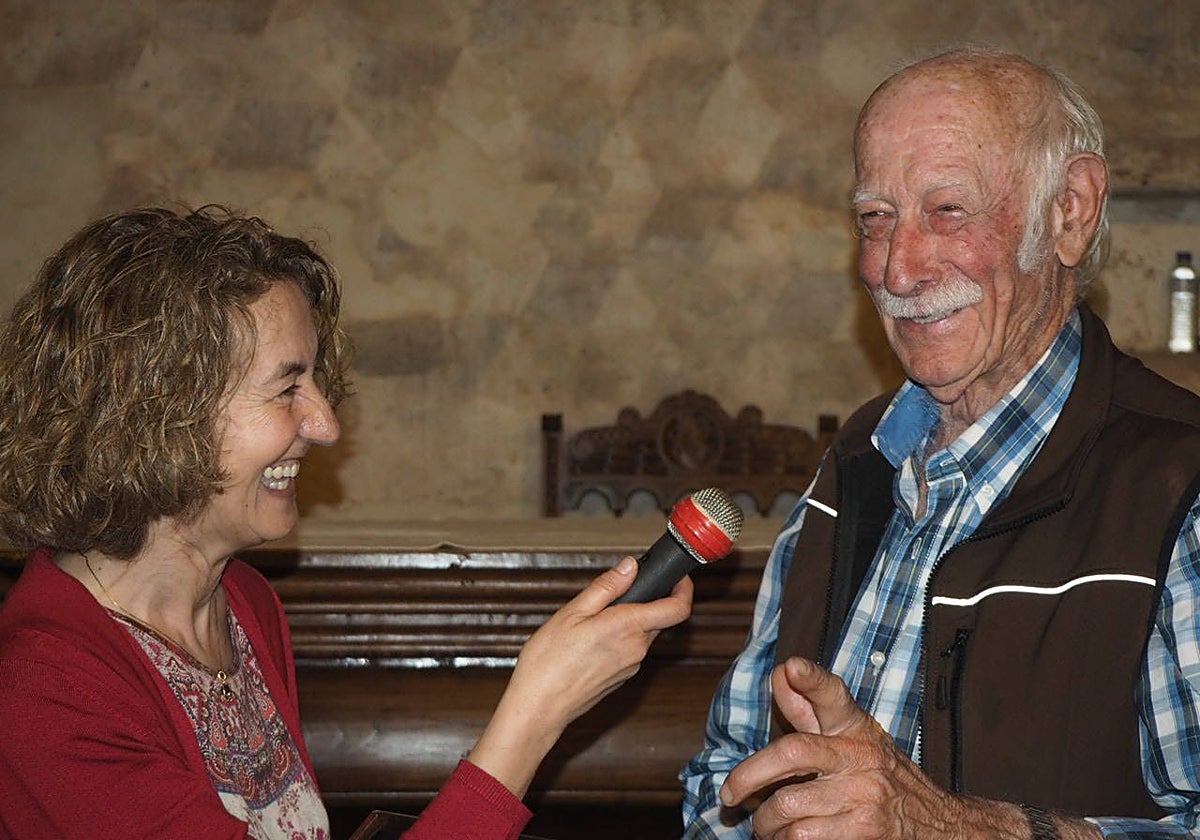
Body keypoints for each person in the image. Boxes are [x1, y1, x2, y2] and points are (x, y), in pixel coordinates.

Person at [0, 205, 693, 840]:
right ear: (155, 416)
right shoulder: (44, 688)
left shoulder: (242, 602)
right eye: (286, 389)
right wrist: (535, 716)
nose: (325, 424)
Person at [681, 46, 1200, 840]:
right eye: (874, 218)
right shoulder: (855, 467)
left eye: (947, 210)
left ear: (1071, 211)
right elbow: (724, 775)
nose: (896, 266)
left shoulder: (1177, 489)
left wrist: (950, 829)